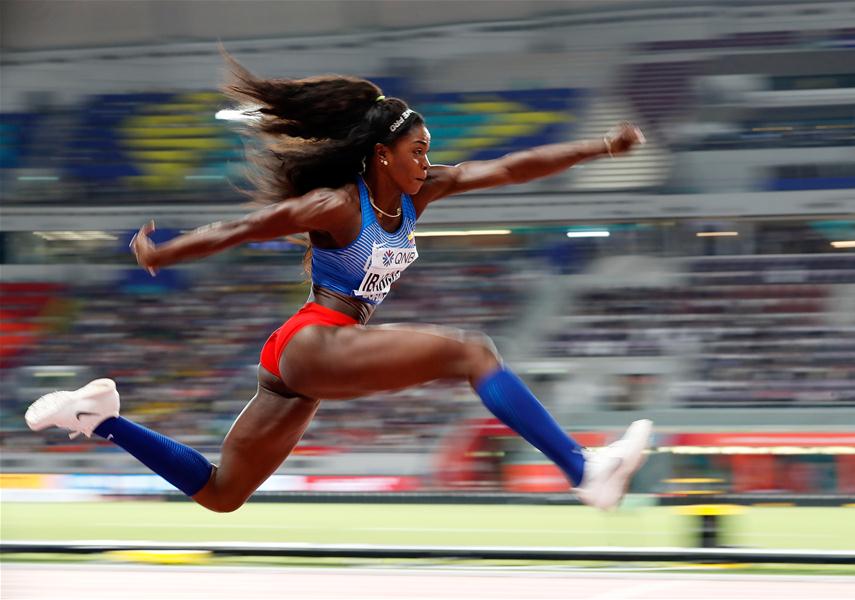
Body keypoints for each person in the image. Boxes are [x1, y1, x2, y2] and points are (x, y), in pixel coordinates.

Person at [25, 56, 652, 513]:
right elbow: (254, 225)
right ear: (382, 153)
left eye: (430, 151)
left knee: (222, 493)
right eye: (418, 151)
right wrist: (171, 249)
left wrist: (601, 147)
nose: (428, 162)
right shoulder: (337, 205)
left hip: (310, 354)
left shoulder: (420, 193)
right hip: (312, 339)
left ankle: (99, 417)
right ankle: (582, 469)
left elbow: (512, 167)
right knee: (473, 351)